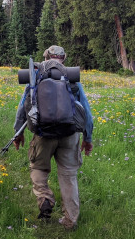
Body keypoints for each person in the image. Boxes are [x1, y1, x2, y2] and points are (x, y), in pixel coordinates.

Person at [12, 46, 94, 229]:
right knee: (68, 175)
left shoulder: (36, 76)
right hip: (69, 134)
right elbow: (86, 112)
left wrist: (18, 132)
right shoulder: (72, 79)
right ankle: (70, 220)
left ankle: (45, 198)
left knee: (39, 168)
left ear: (46, 57)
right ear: (63, 58)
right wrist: (88, 138)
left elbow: (23, 106)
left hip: (43, 133)